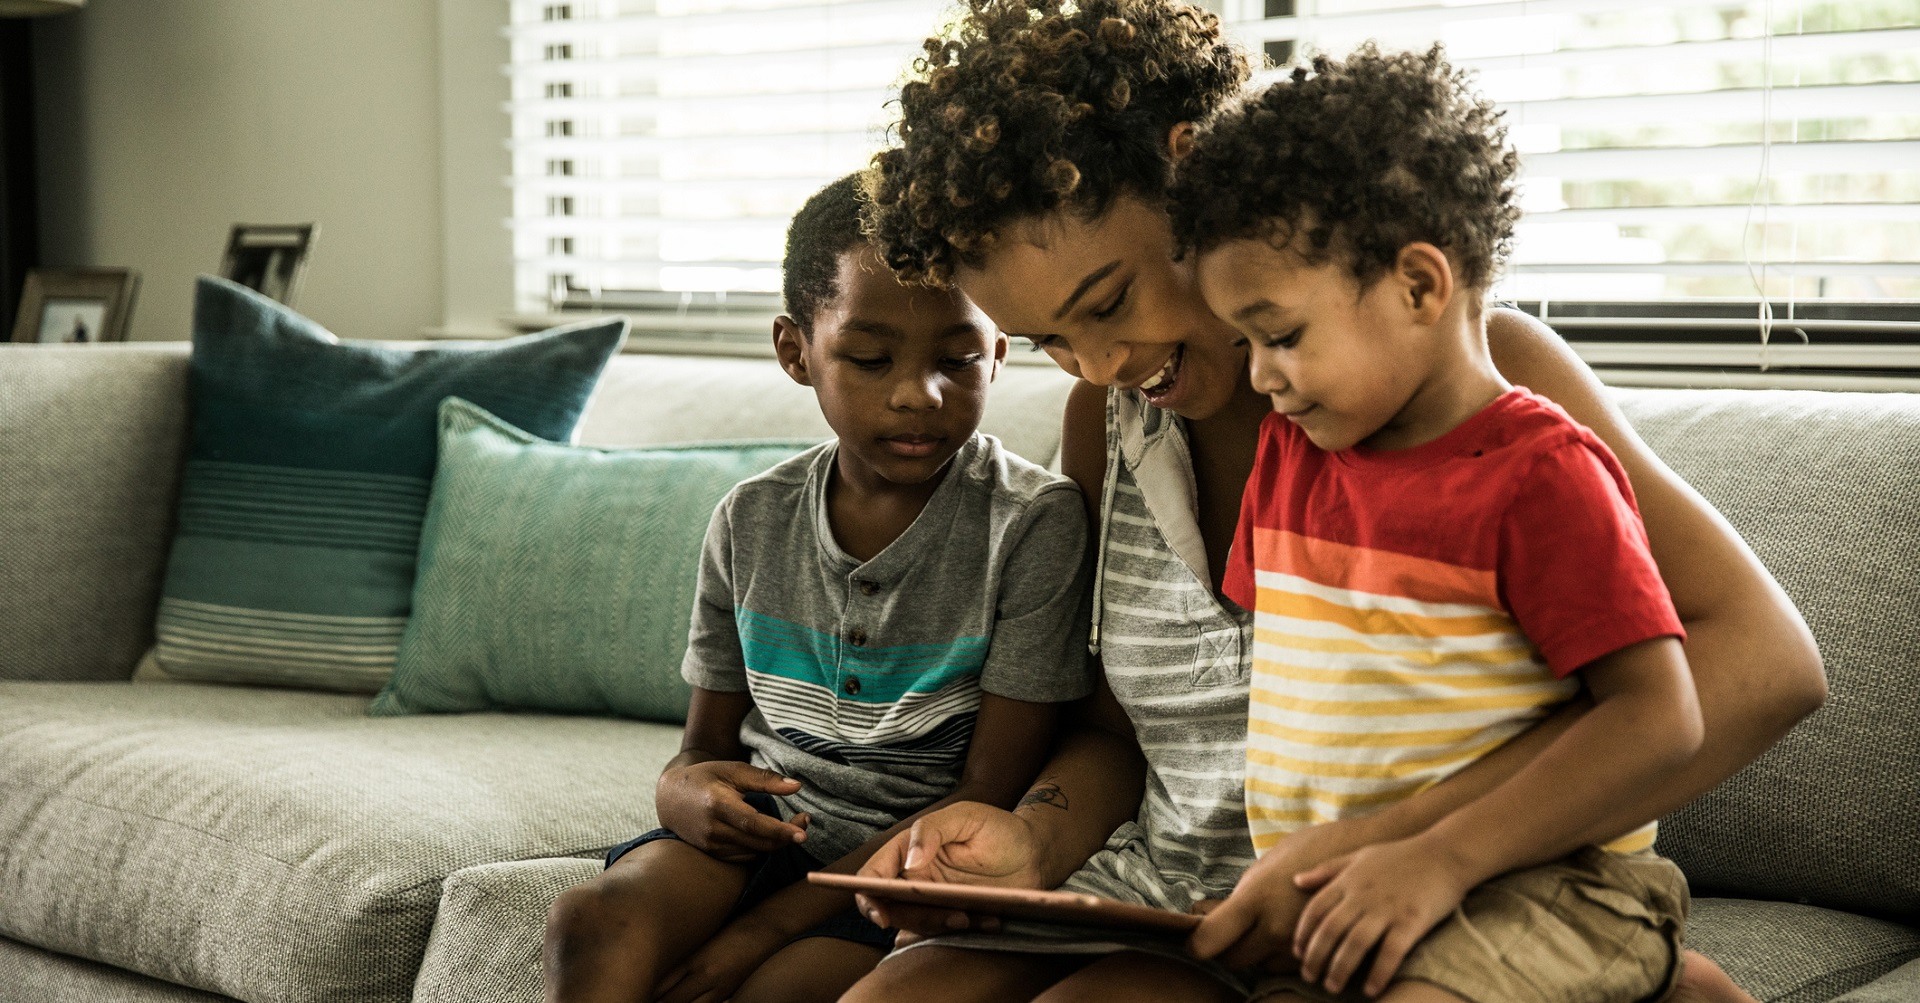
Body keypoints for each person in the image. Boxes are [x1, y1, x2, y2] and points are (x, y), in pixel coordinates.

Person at [842, 1, 1825, 1001]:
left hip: (1409, 908)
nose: (1097, 363)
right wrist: (1032, 838)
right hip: (1171, 895)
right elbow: (1118, 732)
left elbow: (1763, 663)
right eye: (1049, 339)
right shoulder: (1110, 421)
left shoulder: (1466, 387)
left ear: (1197, 179)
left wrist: (1399, 845)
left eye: (1107, 304)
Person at [1177, 44, 1700, 1001]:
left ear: (1420, 285)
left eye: (1282, 334)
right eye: (1244, 341)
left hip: (1554, 885)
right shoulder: (1290, 455)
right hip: (1358, 893)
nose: (1258, 375)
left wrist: (1442, 856)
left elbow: (1662, 719)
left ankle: (1655, 970)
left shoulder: (1542, 475)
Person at [541, 172, 1096, 1003]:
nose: (919, 393)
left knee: (779, 988)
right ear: (796, 351)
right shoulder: (751, 519)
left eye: (957, 359)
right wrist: (682, 788)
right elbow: (706, 750)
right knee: (588, 921)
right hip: (759, 839)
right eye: (871, 358)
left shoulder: (1033, 524)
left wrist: (757, 934)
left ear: (999, 354)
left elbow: (990, 789)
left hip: (908, 864)